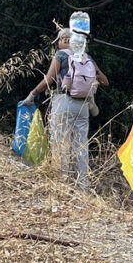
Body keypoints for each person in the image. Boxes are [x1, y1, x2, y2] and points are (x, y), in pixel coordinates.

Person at [23, 27, 108, 188]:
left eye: (59, 40)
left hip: (64, 102)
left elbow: (49, 79)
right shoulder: (86, 57)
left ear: (64, 40)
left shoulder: (61, 55)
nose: (58, 44)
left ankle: (62, 184)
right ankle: (82, 184)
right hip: (83, 106)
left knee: (60, 143)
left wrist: (32, 94)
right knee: (81, 145)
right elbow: (105, 81)